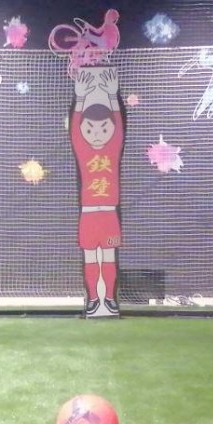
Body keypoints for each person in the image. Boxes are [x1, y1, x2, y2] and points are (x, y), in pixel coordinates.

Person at [69, 66, 125, 317]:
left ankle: (109, 298)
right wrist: (80, 98)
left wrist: (112, 96)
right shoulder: (84, 151)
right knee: (91, 258)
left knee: (109, 257)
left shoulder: (112, 150)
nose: (97, 134)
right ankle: (93, 299)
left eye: (103, 129)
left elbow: (119, 130)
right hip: (89, 214)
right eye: (90, 129)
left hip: (109, 214)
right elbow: (75, 131)